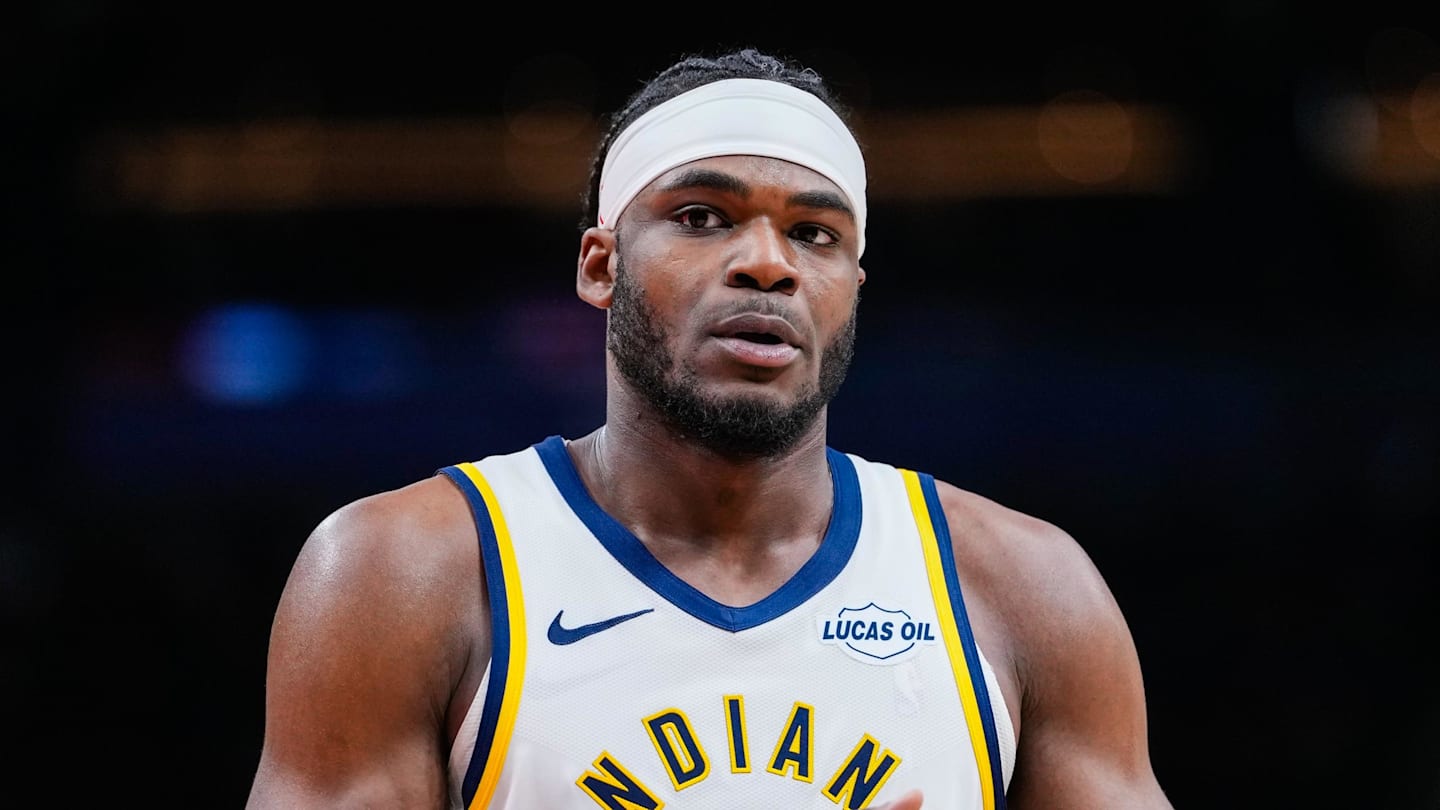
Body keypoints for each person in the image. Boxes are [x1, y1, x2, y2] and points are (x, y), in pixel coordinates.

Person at [244, 47, 1173, 810]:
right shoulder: (398, 572)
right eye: (702, 217)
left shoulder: (1027, 588)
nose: (766, 263)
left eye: (815, 234)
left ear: (852, 288)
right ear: (601, 265)